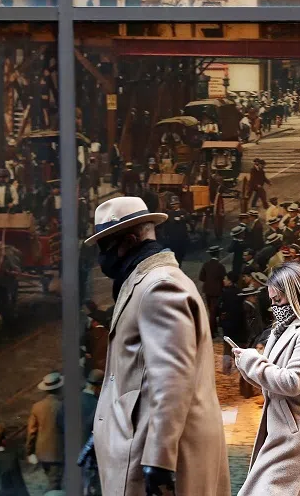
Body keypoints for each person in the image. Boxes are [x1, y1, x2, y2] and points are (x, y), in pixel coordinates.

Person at [85, 197, 229, 496]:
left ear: (130, 239)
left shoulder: (159, 287)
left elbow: (172, 377)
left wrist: (160, 459)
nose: (103, 258)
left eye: (105, 246)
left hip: (157, 451)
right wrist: (102, 430)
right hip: (142, 436)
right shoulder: (148, 281)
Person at [233, 262, 300, 496]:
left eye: (278, 301)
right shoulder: (282, 329)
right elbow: (271, 381)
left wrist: (252, 362)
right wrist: (245, 365)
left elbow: (292, 382)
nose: (274, 307)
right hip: (282, 434)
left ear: (296, 296)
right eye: (271, 301)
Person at [26, 373, 64, 491]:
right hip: (58, 452)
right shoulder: (64, 406)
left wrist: (29, 451)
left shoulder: (37, 406)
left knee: (52, 479)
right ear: (59, 388)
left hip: (42, 452)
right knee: (54, 483)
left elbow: (32, 431)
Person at [199, 245, 227, 337]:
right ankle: (211, 331)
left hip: (207, 291)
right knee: (214, 311)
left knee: (211, 311)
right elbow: (224, 279)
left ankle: (213, 329)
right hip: (217, 291)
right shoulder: (220, 266)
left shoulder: (206, 265)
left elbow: (201, 277)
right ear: (218, 254)